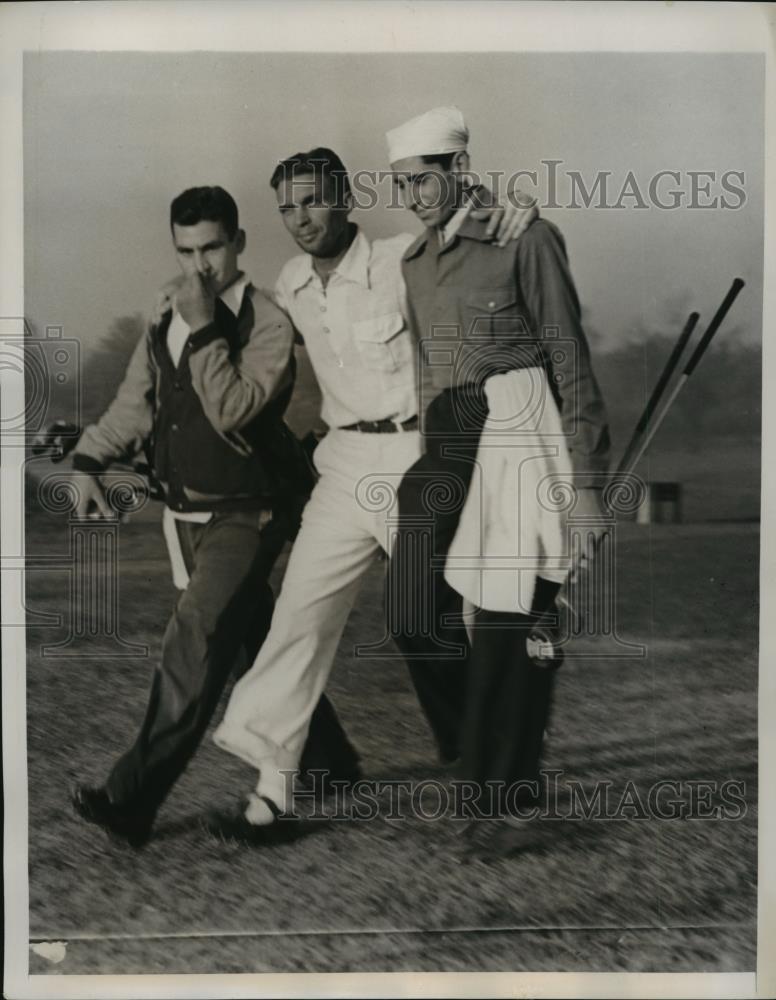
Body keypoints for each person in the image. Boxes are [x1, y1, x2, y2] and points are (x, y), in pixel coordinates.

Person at [208, 148, 538, 841]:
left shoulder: (401, 261)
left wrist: (511, 219)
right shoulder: (292, 283)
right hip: (342, 461)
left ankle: (493, 773)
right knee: (299, 614)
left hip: (416, 455)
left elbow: (474, 260)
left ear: (346, 199)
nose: (301, 219)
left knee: (444, 617)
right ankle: (272, 792)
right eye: (287, 208)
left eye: (313, 201)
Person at [68, 185, 358, 848]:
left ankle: (130, 799)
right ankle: (329, 760)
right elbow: (133, 407)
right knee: (251, 639)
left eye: (213, 248)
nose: (199, 265)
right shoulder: (163, 318)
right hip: (185, 515)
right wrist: (87, 458)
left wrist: (201, 326)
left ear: (239, 243)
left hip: (248, 511)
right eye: (186, 250)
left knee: (195, 639)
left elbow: (234, 409)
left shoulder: (269, 320)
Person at [385, 106, 611, 858]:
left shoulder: (526, 238)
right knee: (415, 604)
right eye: (401, 184)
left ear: (457, 171)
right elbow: (424, 375)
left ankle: (504, 803)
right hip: (448, 442)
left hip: (517, 427)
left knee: (516, 620)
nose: (413, 196)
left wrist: (584, 489)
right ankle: (480, 766)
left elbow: (569, 356)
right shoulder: (413, 262)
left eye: (422, 181)